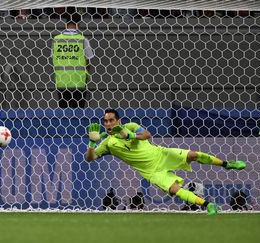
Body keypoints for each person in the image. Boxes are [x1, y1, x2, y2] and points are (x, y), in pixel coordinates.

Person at [85, 109, 246, 216]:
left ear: (118, 121)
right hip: (151, 172)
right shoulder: (107, 143)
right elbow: (90, 158)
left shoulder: (131, 126)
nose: (108, 124)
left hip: (161, 154)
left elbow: (147, 134)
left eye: (111, 120)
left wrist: (131, 136)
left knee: (192, 154)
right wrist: (92, 144)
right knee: (175, 189)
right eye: (105, 121)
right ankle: (208, 205)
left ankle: (227, 164)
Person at [52, 19, 94, 108]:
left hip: (62, 80)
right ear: (79, 24)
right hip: (79, 81)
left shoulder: (56, 39)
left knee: (63, 112)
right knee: (78, 111)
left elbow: (53, 58)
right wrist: (87, 76)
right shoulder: (82, 39)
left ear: (65, 24)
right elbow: (89, 62)